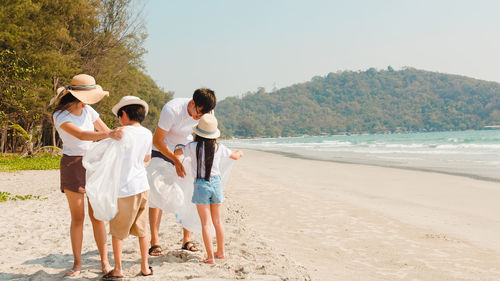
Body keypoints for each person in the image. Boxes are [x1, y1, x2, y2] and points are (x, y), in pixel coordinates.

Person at [52, 74, 122, 278]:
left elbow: (105, 130)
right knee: (78, 217)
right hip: (72, 164)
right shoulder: (60, 116)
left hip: (93, 163)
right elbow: (82, 135)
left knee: (97, 215)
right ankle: (77, 263)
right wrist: (109, 135)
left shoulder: (88, 110)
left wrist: (114, 135)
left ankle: (105, 262)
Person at [148, 88, 216, 256]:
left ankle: (187, 239)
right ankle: (155, 242)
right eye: (197, 114)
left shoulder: (207, 112)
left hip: (185, 151)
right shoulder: (172, 110)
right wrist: (174, 159)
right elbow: (157, 139)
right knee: (157, 194)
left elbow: (206, 137)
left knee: (190, 193)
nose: (198, 118)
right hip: (161, 150)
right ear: (192, 103)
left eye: (202, 116)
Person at [174, 114, 243, 264]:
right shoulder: (219, 147)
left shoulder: (192, 147)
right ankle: (221, 252)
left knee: (206, 223)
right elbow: (235, 156)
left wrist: (179, 147)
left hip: (201, 185)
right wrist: (239, 152)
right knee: (218, 221)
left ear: (198, 132)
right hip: (216, 184)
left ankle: (210, 257)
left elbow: (177, 152)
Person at [102, 96, 153, 279]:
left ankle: (118, 269)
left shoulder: (121, 132)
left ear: (123, 114)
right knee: (142, 229)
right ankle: (145, 267)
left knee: (117, 230)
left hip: (125, 188)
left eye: (118, 115)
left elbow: (109, 157)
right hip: (143, 186)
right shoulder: (147, 133)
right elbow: (147, 158)